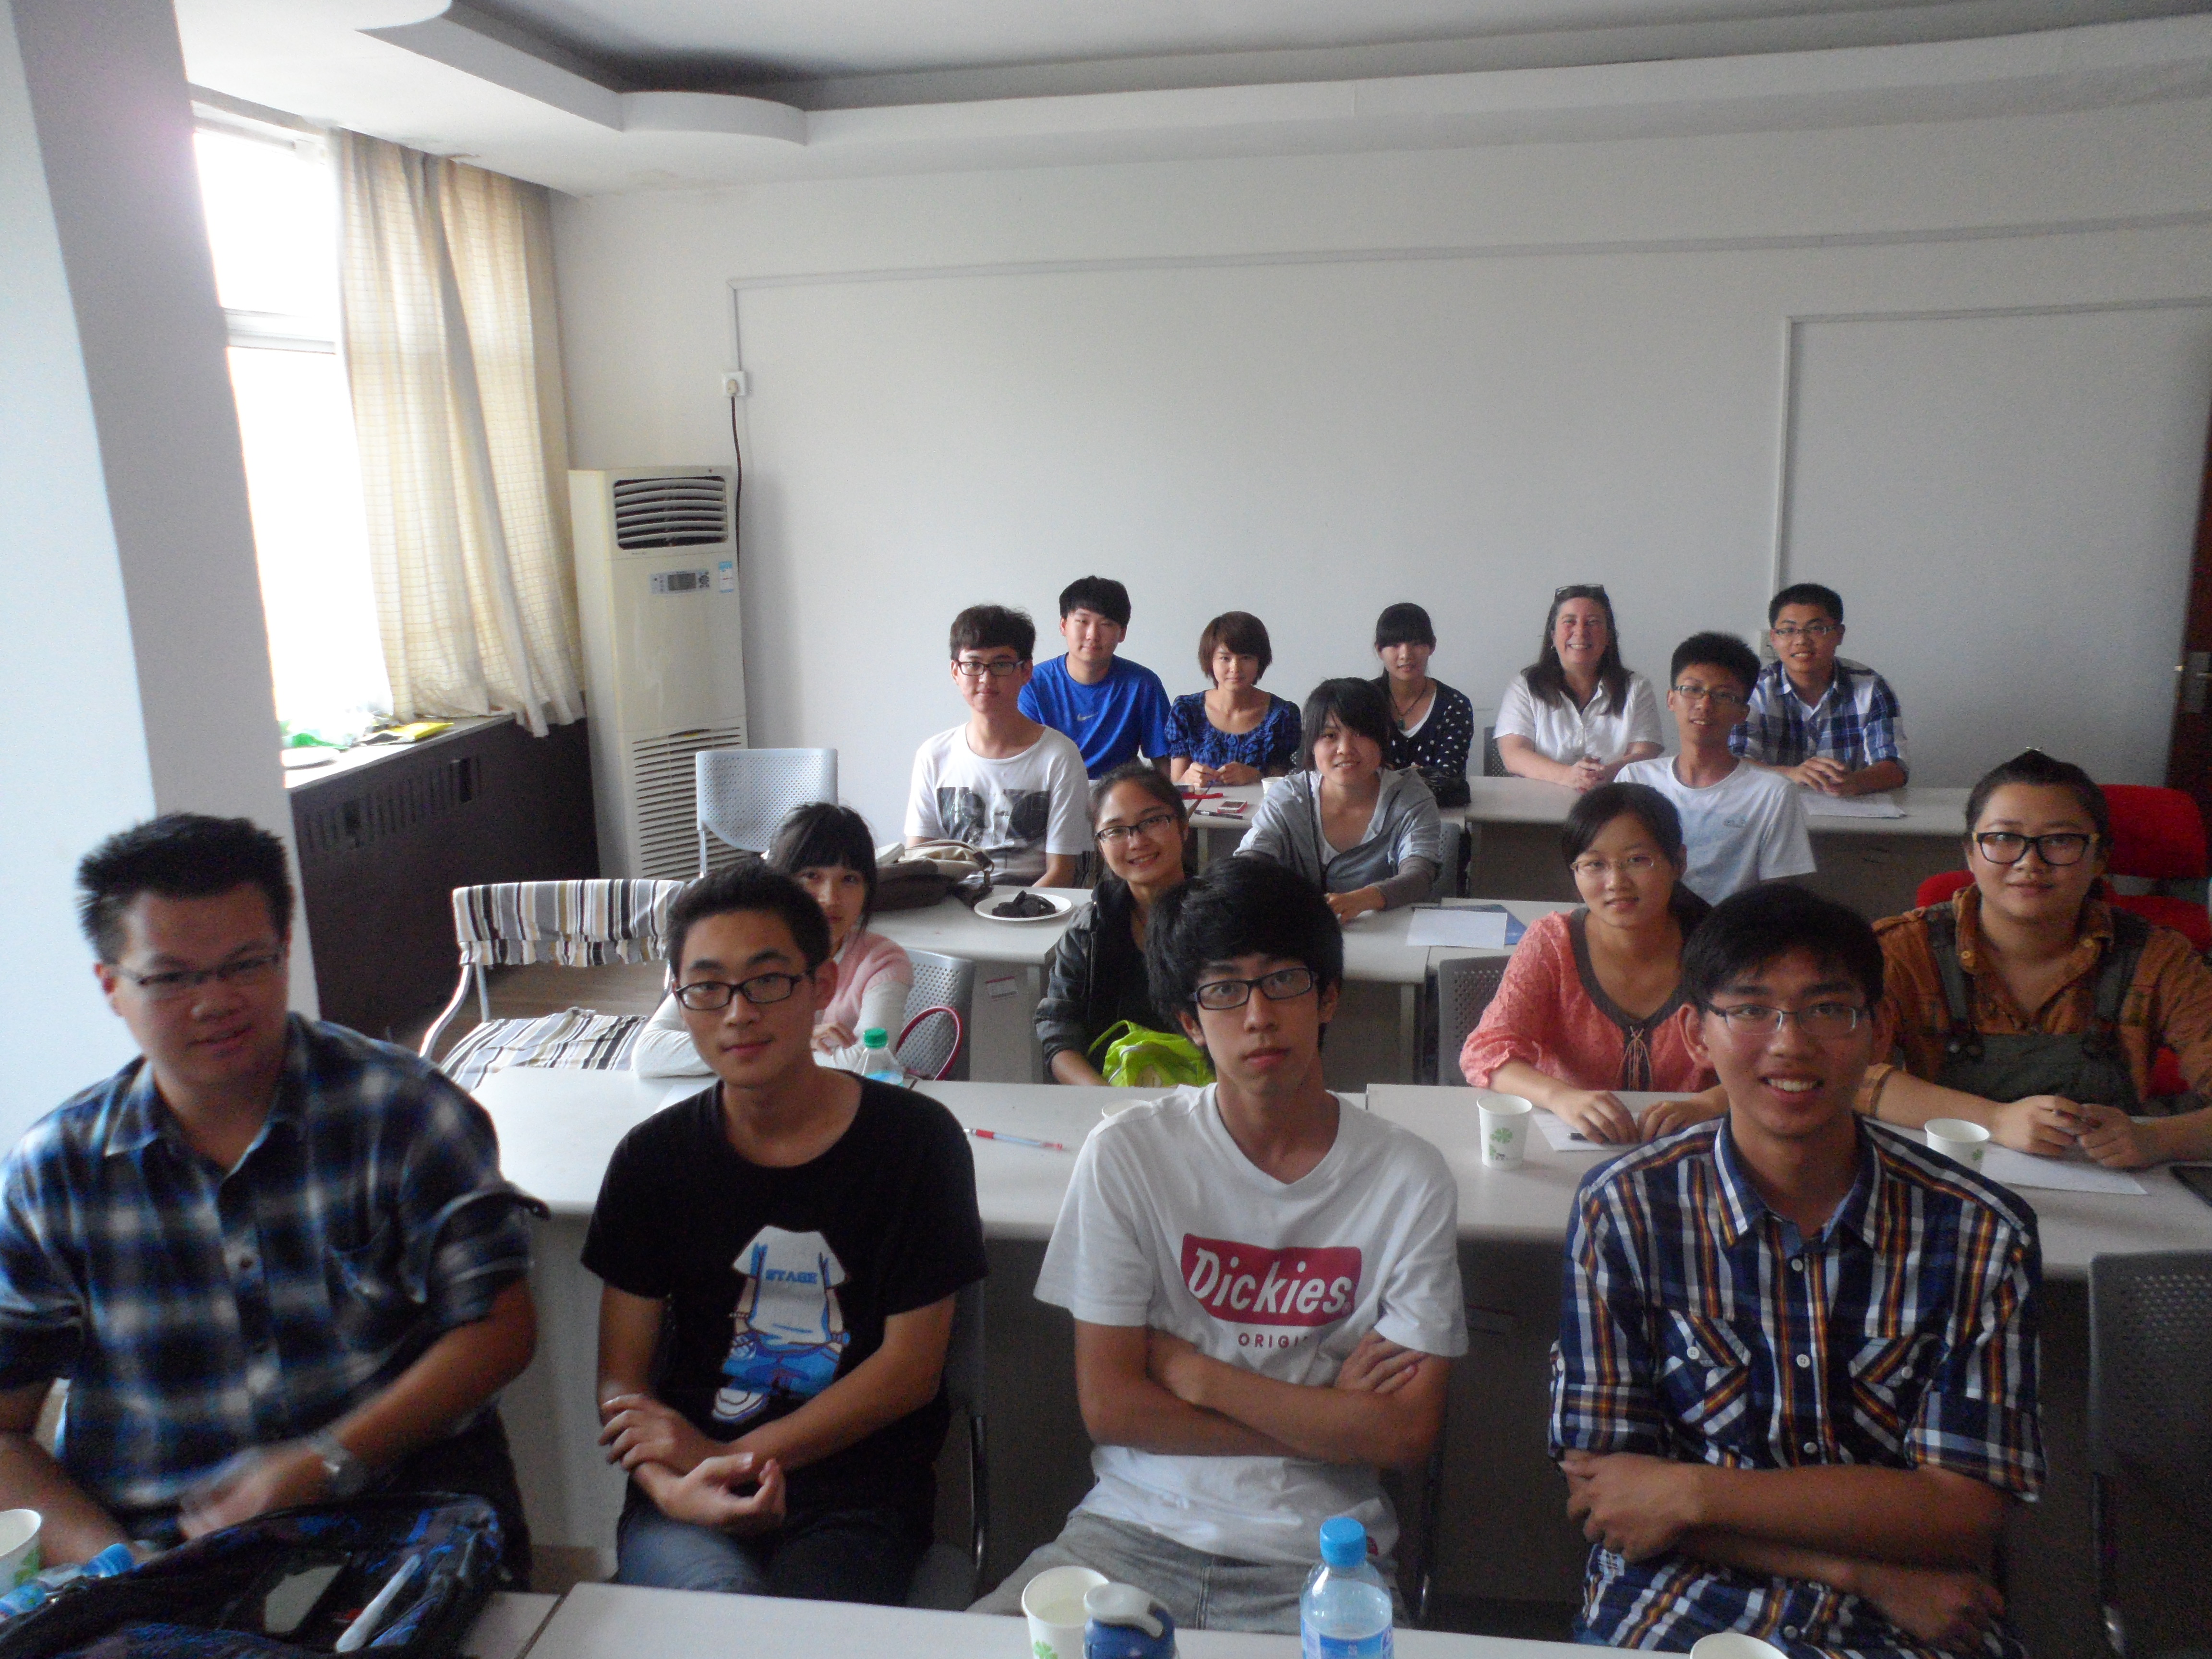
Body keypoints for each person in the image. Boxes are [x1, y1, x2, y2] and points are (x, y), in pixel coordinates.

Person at [0, 815, 539, 1575]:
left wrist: (325, 1461)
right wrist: (119, 1568)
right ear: (111, 987)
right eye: (173, 976)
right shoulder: (55, 1172)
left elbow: (499, 1328)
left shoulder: (401, 1111)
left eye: (247, 964)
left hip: (397, 1524)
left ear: (287, 954)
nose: (216, 1001)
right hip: (157, 1551)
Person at [971, 857, 1467, 1633]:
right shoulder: (1127, 1153)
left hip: (1323, 1557)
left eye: (1283, 982)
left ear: (1327, 995)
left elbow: (1402, 1433)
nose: (1258, 1015)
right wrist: (1326, 1418)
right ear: (1187, 1020)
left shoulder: (1407, 1178)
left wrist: (1192, 1373)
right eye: (1223, 990)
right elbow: (1110, 1409)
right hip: (1129, 1533)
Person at [1552, 883, 2042, 1659]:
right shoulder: (1626, 1210)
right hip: (1678, 1593)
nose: (1788, 1043)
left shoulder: (1978, 1231)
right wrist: (1851, 1567)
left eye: (1827, 1009)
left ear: (1879, 1029)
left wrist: (1688, 1490)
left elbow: (1962, 1510)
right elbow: (1608, 1495)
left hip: (1916, 1611)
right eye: (1749, 1009)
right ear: (1694, 1033)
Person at [588, 864, 988, 1603]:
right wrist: (673, 1489)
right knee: (717, 1613)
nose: (737, 1013)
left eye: (767, 981)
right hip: (686, 1500)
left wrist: (726, 1454)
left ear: (822, 985)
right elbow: (622, 1381)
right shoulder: (651, 1160)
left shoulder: (916, 1144)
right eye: (707, 988)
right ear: (681, 1000)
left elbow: (910, 1374)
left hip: (854, 1499)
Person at [1864, 749, 2212, 1167]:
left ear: (2101, 858)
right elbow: (1841, 1077)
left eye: (2061, 841)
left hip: (2111, 1194)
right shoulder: (1905, 950)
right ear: (1971, 853)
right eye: (2004, 838)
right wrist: (1995, 1119)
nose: (2030, 863)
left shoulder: (2158, 960)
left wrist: (2158, 1138)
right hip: (1948, 1180)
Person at [1459, 783, 1726, 1143]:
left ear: (1678, 862)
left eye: (1637, 860)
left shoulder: (1720, 949)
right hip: (1570, 1144)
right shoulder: (1553, 944)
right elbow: (1486, 1051)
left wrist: (1705, 1106)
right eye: (1594, 864)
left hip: (1693, 1146)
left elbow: (1771, 1063)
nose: (1616, 882)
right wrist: (1561, 1097)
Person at [636, 804, 914, 1082]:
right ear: (779, 881)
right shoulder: (732, 950)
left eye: (849, 880)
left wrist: (747, 1048)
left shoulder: (881, 960)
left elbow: (870, 1064)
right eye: (811, 876)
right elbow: (649, 1052)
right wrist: (793, 1044)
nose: (830, 898)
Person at [1618, 632, 1815, 903]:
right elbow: (1612, 871)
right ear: (1671, 699)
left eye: (1724, 695)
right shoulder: (1635, 780)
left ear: (1742, 713)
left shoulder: (1772, 793)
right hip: (1649, 929)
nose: (1705, 705)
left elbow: (1777, 897)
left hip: (1732, 936)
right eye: (1692, 689)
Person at [1035, 765, 1198, 1086]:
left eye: (1152, 821)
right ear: (1100, 846)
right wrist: (1103, 1097)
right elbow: (1058, 1028)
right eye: (1116, 831)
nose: (1136, 842)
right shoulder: (1090, 928)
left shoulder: (1223, 919)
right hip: (1107, 1098)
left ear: (1183, 827)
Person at [907, 603, 1090, 887]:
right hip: (951, 908)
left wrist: (1007, 914)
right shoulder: (934, 755)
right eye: (973, 664)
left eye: (1001, 664)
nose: (986, 678)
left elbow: (1062, 872)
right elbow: (919, 862)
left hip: (1034, 909)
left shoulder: (1059, 756)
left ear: (1026, 670)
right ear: (955, 671)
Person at [1238, 678, 1442, 924]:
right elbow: (1253, 857)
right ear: (1311, 744)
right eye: (1330, 735)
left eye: (1359, 733)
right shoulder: (1288, 797)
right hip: (1296, 938)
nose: (1345, 749)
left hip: (1384, 935)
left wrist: (1363, 899)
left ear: (1383, 738)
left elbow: (1419, 876)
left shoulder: (1410, 798)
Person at [1733, 582, 1909, 798]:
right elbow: (1734, 763)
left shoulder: (1871, 688)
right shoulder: (1755, 690)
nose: (1801, 641)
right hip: (1772, 811)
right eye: (1788, 630)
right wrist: (1790, 775)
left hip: (1850, 816)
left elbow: (1895, 767)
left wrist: (1855, 782)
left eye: (1816, 629)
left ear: (1839, 634)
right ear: (1774, 638)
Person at [1494, 584, 1664, 791]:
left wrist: (1601, 775)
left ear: (1609, 636)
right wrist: (1569, 776)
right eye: (1570, 622)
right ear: (1553, 635)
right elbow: (1514, 754)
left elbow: (1646, 753)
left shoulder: (1637, 688)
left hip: (1612, 804)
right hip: (1537, 808)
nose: (1581, 632)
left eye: (1593, 622)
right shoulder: (1525, 686)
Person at [1018, 576, 1175, 779]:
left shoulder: (1143, 685)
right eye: (1082, 621)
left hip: (1120, 796)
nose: (1092, 635)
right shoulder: (1033, 683)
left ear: (1122, 633)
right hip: (1054, 792)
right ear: (1064, 625)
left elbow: (1165, 762)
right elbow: (1023, 760)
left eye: (1106, 624)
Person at [1162, 611, 1302, 788]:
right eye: (1225, 658)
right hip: (1200, 812)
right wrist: (1188, 778)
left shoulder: (1282, 715)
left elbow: (1282, 786)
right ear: (1210, 661)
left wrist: (1255, 775)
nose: (1235, 668)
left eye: (1246, 658)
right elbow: (1176, 784)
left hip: (1262, 813)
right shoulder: (1186, 710)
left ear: (1260, 662)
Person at [1369, 601, 1477, 809]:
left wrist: (1388, 777)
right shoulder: (1362, 701)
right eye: (1395, 645)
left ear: (1432, 646)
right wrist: (1417, 776)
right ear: (1379, 650)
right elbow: (1355, 776)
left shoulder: (1455, 705)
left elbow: (1449, 779)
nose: (1406, 654)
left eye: (1416, 643)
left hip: (1439, 820)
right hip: (1372, 820)